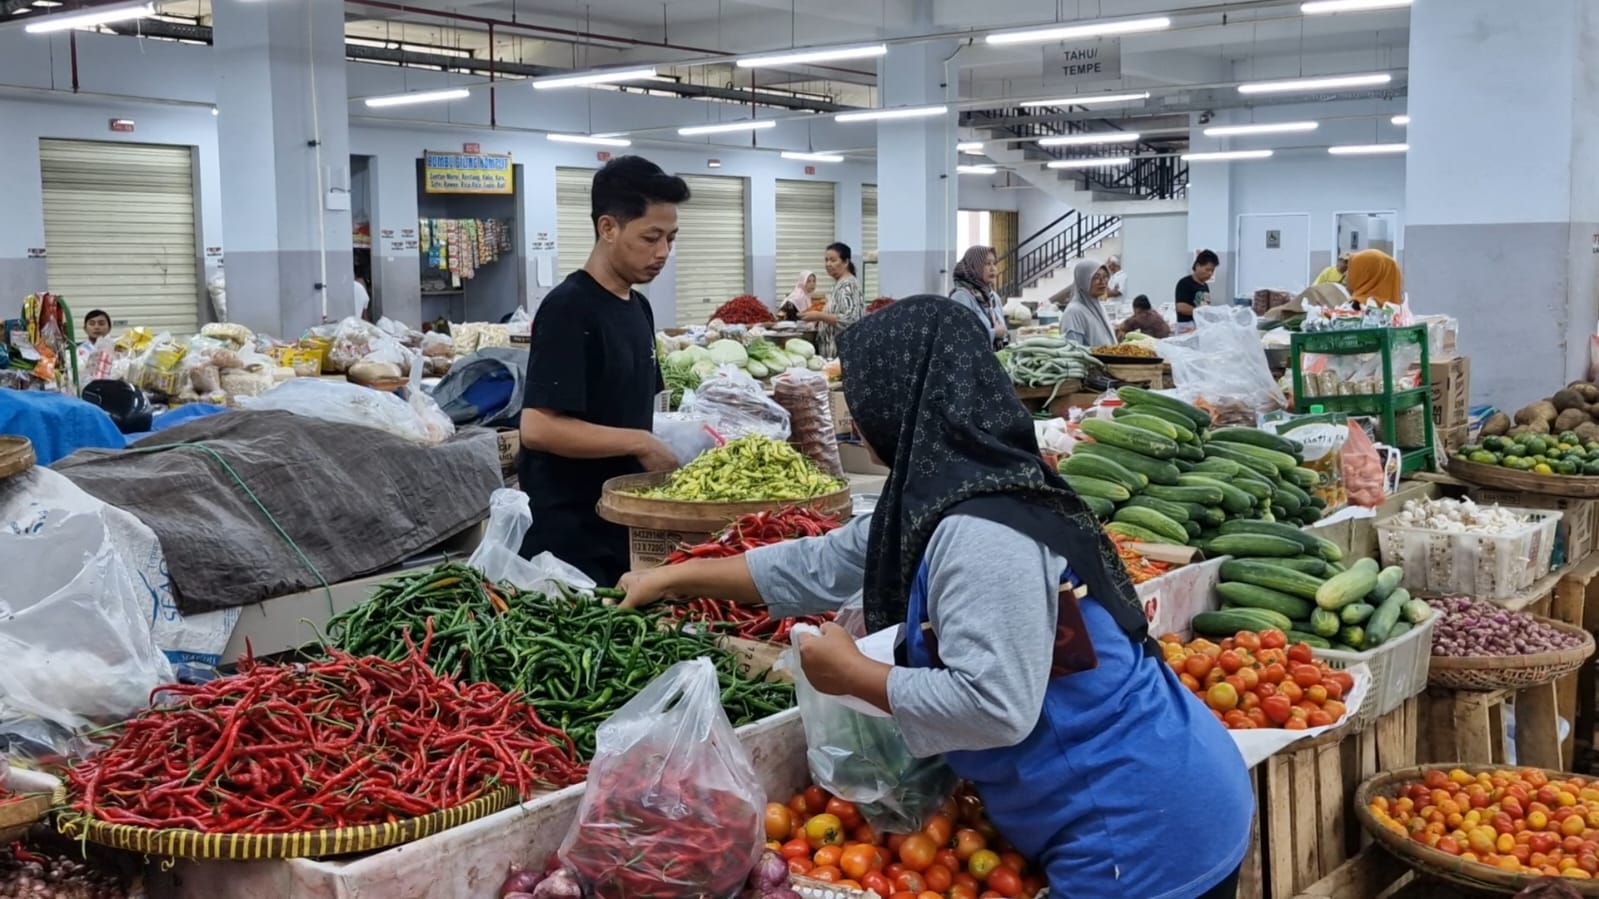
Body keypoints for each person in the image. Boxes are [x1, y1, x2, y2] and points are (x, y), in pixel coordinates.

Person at [616, 298, 1254, 898]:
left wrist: (853, 675)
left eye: (863, 393)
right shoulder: (953, 490)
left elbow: (995, 707)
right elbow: (821, 562)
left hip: (1140, 834)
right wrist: (671, 578)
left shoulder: (979, 532)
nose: (854, 410)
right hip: (1147, 795)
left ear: (903, 397)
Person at [518, 155, 688, 586]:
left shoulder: (639, 307)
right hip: (571, 538)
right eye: (650, 237)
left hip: (620, 521)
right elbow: (537, 427)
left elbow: (637, 404)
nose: (663, 252)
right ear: (608, 228)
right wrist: (641, 442)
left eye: (671, 238)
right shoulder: (569, 308)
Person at [802, 242, 863, 357]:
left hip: (842, 353)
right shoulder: (839, 284)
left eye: (833, 260)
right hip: (831, 353)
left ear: (845, 262)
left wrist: (819, 316)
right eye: (826, 260)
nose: (828, 264)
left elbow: (851, 319)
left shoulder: (848, 285)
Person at [948, 245, 1009, 347]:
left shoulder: (993, 297)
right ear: (974, 266)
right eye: (987, 264)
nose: (993, 268)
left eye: (994, 263)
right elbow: (959, 336)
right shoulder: (961, 297)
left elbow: (1003, 331)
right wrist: (994, 333)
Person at [1061, 258, 1117, 348]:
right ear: (1083, 280)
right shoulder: (1074, 312)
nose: (1103, 282)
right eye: (1096, 277)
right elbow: (1073, 351)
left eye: (1105, 276)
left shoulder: (1099, 307)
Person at [1174, 249, 1219, 333]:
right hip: (1186, 328)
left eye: (1212, 271)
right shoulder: (1184, 283)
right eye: (1207, 269)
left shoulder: (1205, 286)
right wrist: (1200, 312)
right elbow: (1180, 307)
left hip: (1200, 326)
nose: (1210, 273)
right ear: (1198, 266)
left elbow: (1206, 306)